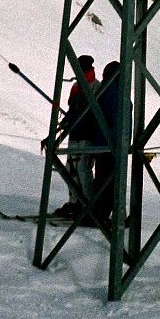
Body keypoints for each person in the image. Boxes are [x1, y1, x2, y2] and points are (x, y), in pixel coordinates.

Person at [54, 53, 96, 217]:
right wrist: (67, 120)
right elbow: (72, 109)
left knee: (83, 170)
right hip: (75, 133)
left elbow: (95, 112)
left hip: (88, 135)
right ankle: (74, 201)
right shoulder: (76, 86)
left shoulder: (95, 86)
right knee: (71, 169)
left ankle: (87, 204)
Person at [92, 60, 123, 225]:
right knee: (108, 180)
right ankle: (103, 212)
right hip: (111, 145)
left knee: (103, 179)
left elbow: (110, 122)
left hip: (106, 144)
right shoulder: (116, 93)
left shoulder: (108, 93)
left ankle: (100, 212)